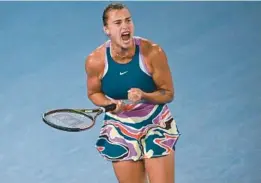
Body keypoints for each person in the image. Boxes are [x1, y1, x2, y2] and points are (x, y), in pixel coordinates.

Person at [85, 3, 180, 183]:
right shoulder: (95, 61)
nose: (125, 26)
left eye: (128, 20)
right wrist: (109, 105)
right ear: (107, 30)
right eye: (118, 23)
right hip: (120, 127)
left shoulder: (152, 53)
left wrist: (144, 95)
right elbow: (94, 93)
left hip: (155, 124)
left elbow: (168, 93)